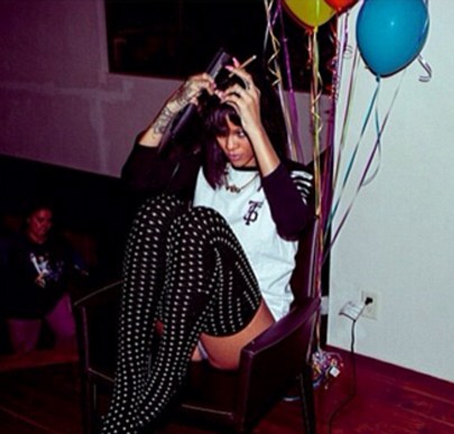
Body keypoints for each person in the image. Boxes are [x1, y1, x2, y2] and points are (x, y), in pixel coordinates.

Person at [100, 56, 314, 434]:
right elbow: (134, 179)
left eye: (240, 132)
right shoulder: (205, 170)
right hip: (186, 326)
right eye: (220, 133)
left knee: (202, 224)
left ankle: (161, 384)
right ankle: (130, 388)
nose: (230, 145)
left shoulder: (294, 177)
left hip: (247, 331)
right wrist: (174, 105)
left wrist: (255, 125)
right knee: (156, 211)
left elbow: (294, 223)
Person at [0, 202, 80, 354]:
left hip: (52, 299)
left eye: (48, 221)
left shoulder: (58, 243)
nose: (45, 225)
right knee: (24, 351)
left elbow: (70, 264)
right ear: (29, 219)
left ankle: (63, 363)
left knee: (69, 333)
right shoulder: (13, 245)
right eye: (40, 220)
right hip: (23, 306)